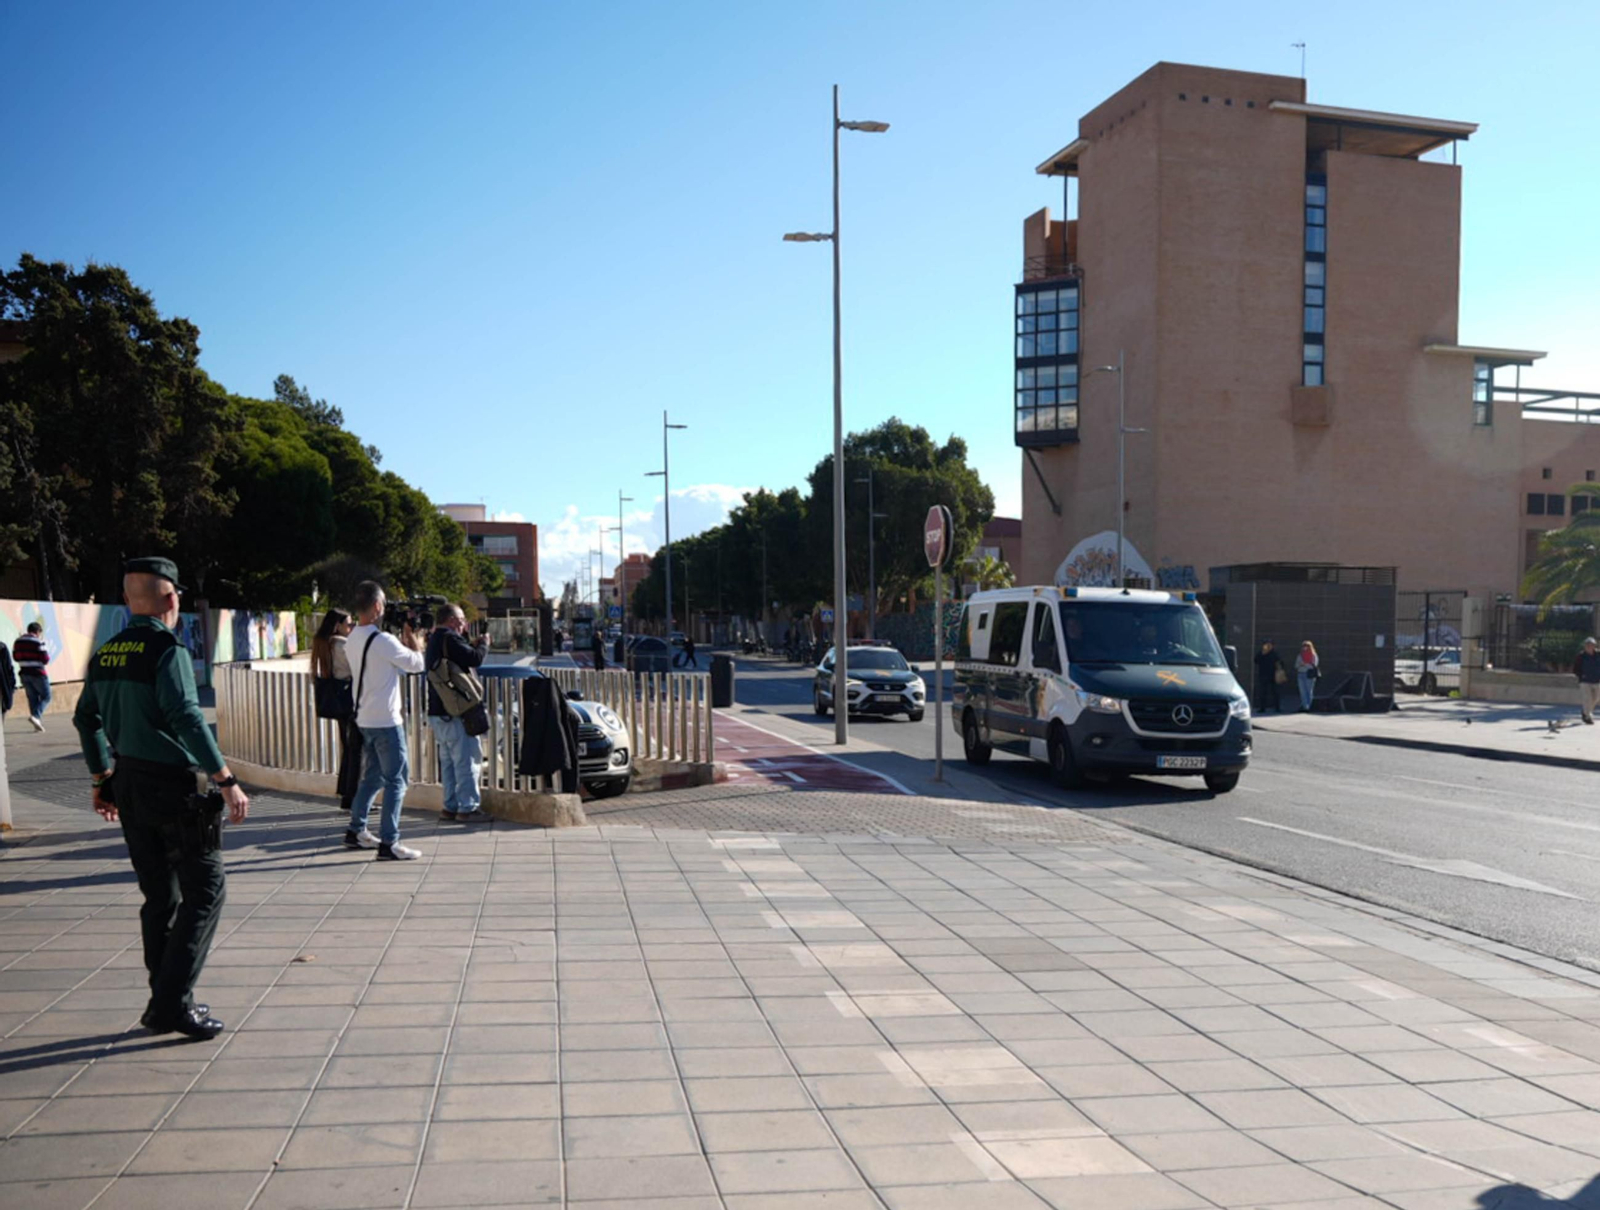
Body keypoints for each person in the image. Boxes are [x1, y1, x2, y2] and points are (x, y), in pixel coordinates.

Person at [72, 557, 249, 1040]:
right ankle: (172, 1003)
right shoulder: (166, 649)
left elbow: (85, 720)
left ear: (129, 601)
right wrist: (225, 778)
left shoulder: (105, 652)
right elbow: (186, 716)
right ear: (172, 600)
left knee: (160, 896)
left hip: (128, 781)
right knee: (206, 891)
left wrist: (100, 778)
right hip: (171, 786)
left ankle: (163, 1000)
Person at [345, 581, 425, 860]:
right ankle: (389, 843)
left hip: (365, 718)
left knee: (373, 776)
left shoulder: (353, 637)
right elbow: (417, 664)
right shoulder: (383, 641)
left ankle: (356, 830)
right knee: (397, 781)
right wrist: (411, 635)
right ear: (377, 606)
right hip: (387, 722)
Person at [426, 604, 490, 821]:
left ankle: (450, 806)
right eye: (462, 620)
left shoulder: (434, 639)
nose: (465, 625)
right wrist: (484, 645)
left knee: (448, 762)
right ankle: (468, 808)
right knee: (466, 759)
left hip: (437, 710)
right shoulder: (450, 638)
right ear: (452, 620)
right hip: (455, 711)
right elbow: (474, 659)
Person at [311, 608, 358, 812]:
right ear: (338, 625)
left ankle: (346, 794)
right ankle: (352, 796)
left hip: (338, 699)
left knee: (347, 747)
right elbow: (353, 668)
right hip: (349, 698)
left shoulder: (324, 643)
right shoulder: (341, 644)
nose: (352, 627)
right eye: (349, 624)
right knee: (355, 750)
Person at [14, 620, 52, 731]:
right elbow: (45, 659)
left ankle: (36, 723)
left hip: (24, 673)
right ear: (38, 631)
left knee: (32, 698)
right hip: (38, 673)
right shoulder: (38, 641)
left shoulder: (18, 641)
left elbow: (15, 657)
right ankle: (36, 717)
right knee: (47, 696)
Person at [1573, 637, 1600, 724]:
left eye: (1591, 645)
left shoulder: (1598, 654)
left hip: (1597, 680)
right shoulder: (1581, 656)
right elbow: (1576, 668)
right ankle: (1588, 717)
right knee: (1587, 698)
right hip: (1585, 681)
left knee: (1596, 698)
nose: (1589, 647)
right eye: (1587, 645)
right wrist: (1581, 676)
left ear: (1594, 646)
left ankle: (1585, 712)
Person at [1253, 640, 1284, 714]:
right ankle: (1262, 708)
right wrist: (1262, 653)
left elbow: (1280, 662)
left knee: (1275, 692)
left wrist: (1279, 669)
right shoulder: (1261, 653)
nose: (1268, 647)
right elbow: (1256, 660)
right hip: (1263, 675)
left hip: (1273, 675)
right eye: (1267, 645)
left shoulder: (1274, 653)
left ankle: (1277, 707)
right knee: (1263, 692)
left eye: (1269, 645)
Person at [1295, 640, 1320, 712]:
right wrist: (1301, 665)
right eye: (1304, 646)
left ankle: (1309, 706)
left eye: (1307, 646)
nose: (1305, 648)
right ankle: (1304, 706)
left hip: (1309, 674)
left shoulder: (1313, 655)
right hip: (1301, 673)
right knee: (1302, 691)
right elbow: (1296, 665)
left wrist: (1306, 664)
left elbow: (1314, 665)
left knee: (1309, 691)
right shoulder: (1300, 655)